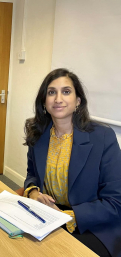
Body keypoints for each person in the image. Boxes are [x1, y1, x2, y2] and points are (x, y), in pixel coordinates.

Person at [23, 68, 121, 257]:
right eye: (51, 92)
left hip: (95, 225)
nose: (58, 98)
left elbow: (116, 201)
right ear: (44, 102)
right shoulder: (39, 135)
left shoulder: (102, 137)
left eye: (66, 92)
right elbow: (32, 174)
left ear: (78, 101)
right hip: (49, 216)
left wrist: (69, 217)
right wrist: (33, 191)